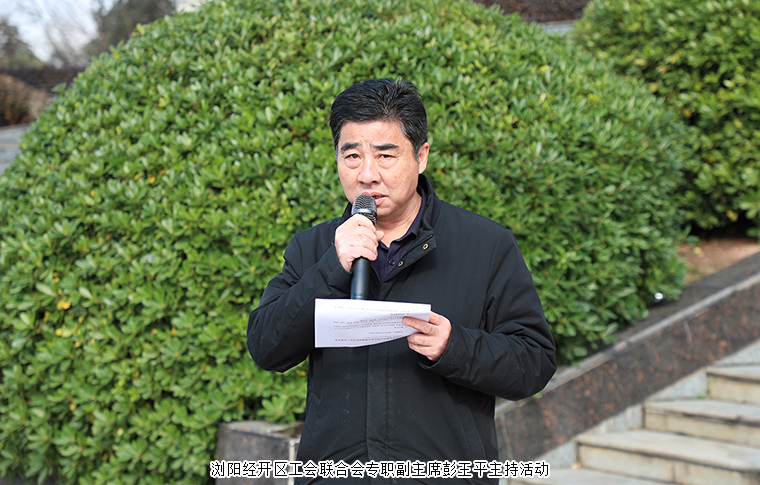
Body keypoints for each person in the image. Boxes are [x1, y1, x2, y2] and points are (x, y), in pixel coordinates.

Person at [247, 78, 556, 484]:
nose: (367, 174)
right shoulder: (315, 247)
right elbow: (266, 347)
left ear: (421, 155)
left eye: (385, 155)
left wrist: (455, 347)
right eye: (352, 156)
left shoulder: (486, 245)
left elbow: (533, 362)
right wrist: (330, 270)